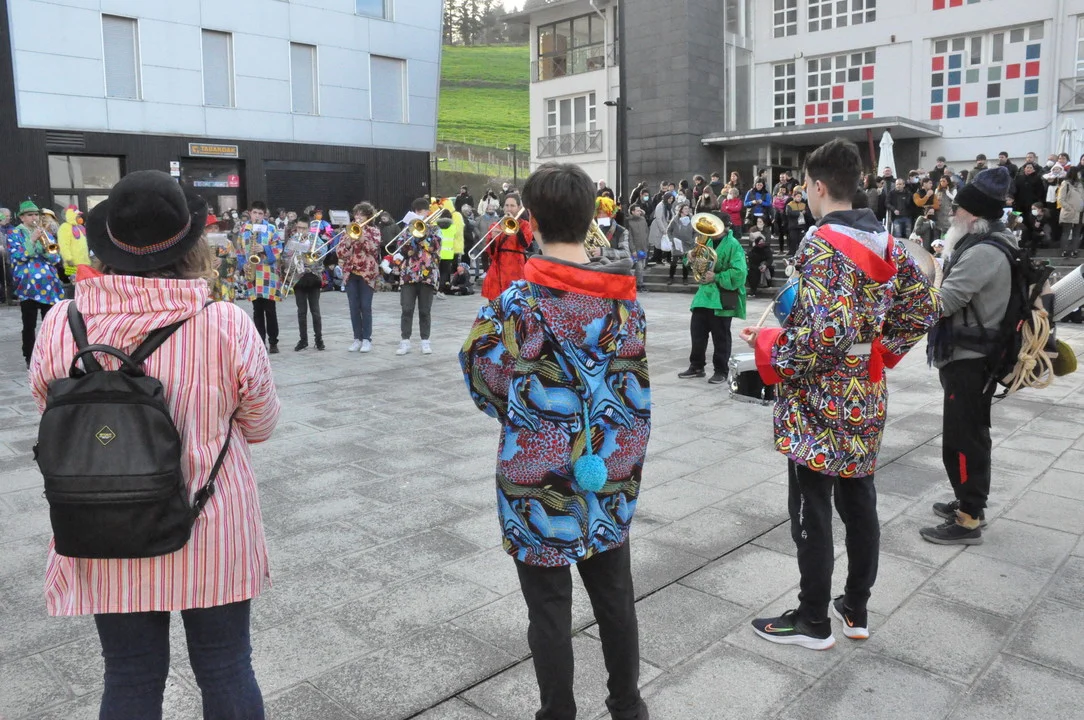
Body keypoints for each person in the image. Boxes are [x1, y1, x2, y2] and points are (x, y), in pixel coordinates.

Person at [28, 169, 279, 718]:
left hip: (105, 523)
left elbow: (51, 411)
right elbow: (261, 425)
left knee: (130, 675)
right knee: (226, 667)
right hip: (210, 523)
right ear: (190, 244)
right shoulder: (226, 323)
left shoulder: (61, 323)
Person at [459, 161, 650, 720]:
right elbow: (634, 389)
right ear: (591, 219)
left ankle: (558, 712)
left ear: (533, 222)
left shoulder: (514, 305)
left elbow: (481, 375)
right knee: (615, 597)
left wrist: (526, 415)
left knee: (547, 608)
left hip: (535, 475)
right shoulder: (626, 304)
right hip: (608, 467)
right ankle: (628, 706)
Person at [741, 138, 940, 650]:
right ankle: (855, 607)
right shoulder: (888, 243)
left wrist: (770, 348)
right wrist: (879, 351)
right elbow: (923, 308)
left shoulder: (822, 243)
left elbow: (827, 331)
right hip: (866, 390)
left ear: (818, 186)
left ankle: (811, 619)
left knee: (812, 504)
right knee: (859, 499)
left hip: (821, 397)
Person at [922, 166, 1015, 545]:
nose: (952, 213)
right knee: (972, 432)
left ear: (973, 215)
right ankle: (969, 500)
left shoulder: (983, 252)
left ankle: (968, 518)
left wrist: (913, 287)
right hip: (970, 353)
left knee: (962, 439)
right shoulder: (989, 241)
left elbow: (944, 302)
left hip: (971, 358)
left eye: (957, 208)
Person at [678, 214, 747, 383]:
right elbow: (692, 263)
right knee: (697, 332)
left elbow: (740, 272)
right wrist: (690, 257)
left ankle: (721, 370)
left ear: (725, 227)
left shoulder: (733, 244)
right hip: (704, 295)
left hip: (723, 294)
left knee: (721, 335)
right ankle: (696, 366)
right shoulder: (705, 242)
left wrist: (716, 276)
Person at [8, 200, 64, 366]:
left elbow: (55, 257)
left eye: (36, 215)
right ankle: (29, 356)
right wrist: (32, 240)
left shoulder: (46, 233)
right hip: (28, 287)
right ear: (22, 218)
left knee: (50, 323)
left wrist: (45, 246)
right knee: (29, 324)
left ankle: (50, 355)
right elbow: (18, 256)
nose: (34, 218)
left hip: (49, 287)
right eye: (30, 215)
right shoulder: (14, 234)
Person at [395, 198, 442, 355]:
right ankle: (405, 341)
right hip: (408, 274)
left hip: (427, 274)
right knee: (406, 308)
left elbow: (435, 247)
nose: (420, 214)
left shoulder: (434, 228)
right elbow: (402, 248)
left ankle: (425, 341)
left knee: (425, 310)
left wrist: (422, 235)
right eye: (417, 212)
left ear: (428, 212)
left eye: (423, 211)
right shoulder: (406, 229)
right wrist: (412, 234)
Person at [239, 201, 283, 353]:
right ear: (250, 213)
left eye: (260, 213)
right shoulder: (244, 229)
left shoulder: (271, 228)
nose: (257, 216)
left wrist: (264, 248)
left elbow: (278, 248)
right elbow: (239, 250)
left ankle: (273, 342)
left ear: (265, 215)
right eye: (254, 213)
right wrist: (243, 265)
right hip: (252, 273)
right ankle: (260, 343)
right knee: (257, 310)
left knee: (270, 309)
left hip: (268, 273)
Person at [481, 193, 533, 300]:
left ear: (518, 208)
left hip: (517, 268)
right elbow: (491, 253)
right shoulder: (496, 225)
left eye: (512, 206)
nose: (509, 208)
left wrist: (516, 227)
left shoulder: (525, 225)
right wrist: (493, 239)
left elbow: (525, 244)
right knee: (496, 304)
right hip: (498, 270)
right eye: (507, 205)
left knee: (516, 302)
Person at [288, 226, 325, 352]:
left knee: (315, 311)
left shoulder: (315, 239)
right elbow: (286, 257)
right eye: (299, 228)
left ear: (308, 228)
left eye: (304, 228)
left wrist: (309, 249)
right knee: (301, 312)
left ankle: (319, 339)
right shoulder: (293, 240)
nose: (301, 231)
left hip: (313, 277)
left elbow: (323, 253)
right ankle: (303, 340)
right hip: (298, 278)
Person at [57, 205, 90, 283]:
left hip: (84, 263)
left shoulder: (80, 227)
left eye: (79, 216)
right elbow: (63, 245)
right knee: (74, 283)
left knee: (84, 283)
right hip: (71, 263)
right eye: (77, 215)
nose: (79, 217)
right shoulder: (64, 227)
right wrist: (68, 259)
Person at [1058, 166, 1084, 258]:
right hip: (1069, 212)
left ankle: (1074, 250)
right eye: (1078, 173)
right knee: (1066, 232)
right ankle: (1064, 250)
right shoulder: (1065, 184)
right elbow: (1061, 199)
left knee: (1077, 233)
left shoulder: (1080, 184)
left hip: (1080, 212)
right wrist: (1070, 208)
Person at [667, 202, 693, 286]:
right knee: (674, 261)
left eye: (688, 208)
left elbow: (695, 232)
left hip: (687, 244)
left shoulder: (692, 219)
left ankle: (685, 278)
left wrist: (693, 240)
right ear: (681, 210)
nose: (687, 210)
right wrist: (672, 239)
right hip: (677, 244)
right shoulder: (675, 219)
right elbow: (669, 230)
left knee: (685, 262)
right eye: (685, 208)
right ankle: (671, 277)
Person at [625, 203, 650, 291]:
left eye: (640, 210)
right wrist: (633, 250)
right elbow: (630, 237)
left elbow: (646, 232)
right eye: (637, 210)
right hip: (636, 248)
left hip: (644, 247)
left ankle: (636, 284)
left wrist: (647, 244)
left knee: (642, 267)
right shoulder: (629, 222)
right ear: (632, 212)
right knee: (639, 267)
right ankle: (639, 284)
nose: (639, 212)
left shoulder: (643, 220)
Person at [784, 188, 814, 256]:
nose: (799, 198)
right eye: (797, 196)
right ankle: (793, 254)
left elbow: (807, 213)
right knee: (793, 240)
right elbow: (789, 213)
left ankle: (800, 254)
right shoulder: (789, 205)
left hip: (801, 226)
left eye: (800, 197)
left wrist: (805, 213)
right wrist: (800, 213)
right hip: (793, 226)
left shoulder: (803, 205)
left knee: (801, 240)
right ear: (794, 197)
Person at [747, 231, 775, 296]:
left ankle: (767, 283)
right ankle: (753, 290)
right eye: (760, 242)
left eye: (762, 241)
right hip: (756, 266)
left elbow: (770, 259)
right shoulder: (753, 250)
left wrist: (765, 265)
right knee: (752, 273)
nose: (761, 243)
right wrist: (758, 267)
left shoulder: (767, 249)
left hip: (766, 266)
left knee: (770, 269)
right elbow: (752, 261)